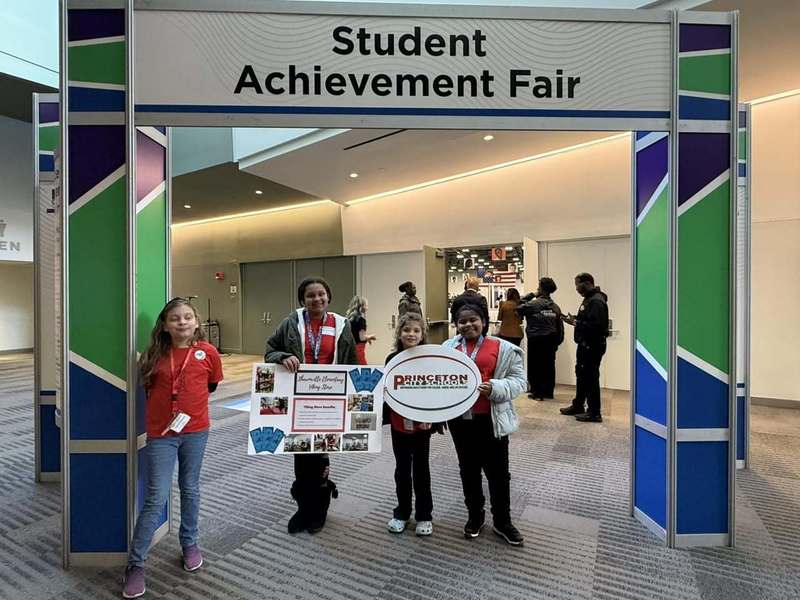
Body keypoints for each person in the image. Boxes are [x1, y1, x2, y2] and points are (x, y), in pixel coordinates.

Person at [123, 298, 223, 599]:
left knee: (191, 488)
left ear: (196, 322)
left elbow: (212, 385)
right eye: (175, 318)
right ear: (165, 325)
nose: (182, 322)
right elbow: (148, 387)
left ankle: (189, 543)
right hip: (162, 434)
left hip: (196, 432)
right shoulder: (154, 354)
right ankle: (136, 564)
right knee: (156, 496)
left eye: (188, 317)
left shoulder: (208, 353)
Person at [264, 277, 358, 533]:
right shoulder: (290, 323)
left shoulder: (341, 324)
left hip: (330, 399)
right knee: (301, 453)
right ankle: (304, 509)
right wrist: (283, 357)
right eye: (310, 296)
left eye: (321, 294)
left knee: (320, 455)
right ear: (302, 300)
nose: (316, 299)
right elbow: (270, 350)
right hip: (299, 400)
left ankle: (320, 508)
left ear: (328, 297)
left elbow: (351, 361)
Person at [445, 303, 526, 546]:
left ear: (483, 321)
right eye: (462, 321)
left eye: (473, 320)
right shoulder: (448, 349)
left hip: (492, 420)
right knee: (468, 471)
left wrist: (496, 388)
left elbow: (520, 381)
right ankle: (475, 517)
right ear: (456, 325)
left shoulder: (502, 348)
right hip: (461, 421)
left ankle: (503, 521)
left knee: (498, 474)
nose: (468, 325)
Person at [383, 312, 440, 537]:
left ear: (422, 333)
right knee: (402, 470)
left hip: (422, 426)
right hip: (398, 425)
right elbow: (387, 391)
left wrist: (432, 418)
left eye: (416, 330)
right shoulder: (391, 359)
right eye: (407, 330)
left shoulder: (431, 358)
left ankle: (424, 515)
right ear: (399, 332)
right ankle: (402, 513)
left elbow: (436, 391)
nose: (411, 334)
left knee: (422, 471)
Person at [560, 273, 609, 422]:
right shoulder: (589, 300)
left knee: (591, 378)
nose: (576, 288)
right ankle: (578, 405)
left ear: (588, 283)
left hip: (592, 345)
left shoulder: (596, 301)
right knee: (582, 375)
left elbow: (596, 326)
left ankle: (594, 412)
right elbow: (588, 319)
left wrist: (576, 323)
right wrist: (575, 318)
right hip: (585, 344)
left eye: (578, 285)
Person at [517, 278, 564, 400]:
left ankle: (537, 392)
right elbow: (560, 326)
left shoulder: (534, 304)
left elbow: (518, 305)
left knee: (535, 366)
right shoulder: (555, 307)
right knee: (549, 366)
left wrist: (533, 294)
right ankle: (548, 391)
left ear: (541, 289)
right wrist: (558, 340)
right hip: (551, 339)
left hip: (537, 339)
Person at [346, 295, 376, 365]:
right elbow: (361, 338)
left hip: (350, 348)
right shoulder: (361, 320)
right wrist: (370, 337)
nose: (367, 307)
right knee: (362, 367)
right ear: (361, 307)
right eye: (366, 305)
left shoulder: (349, 320)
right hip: (358, 349)